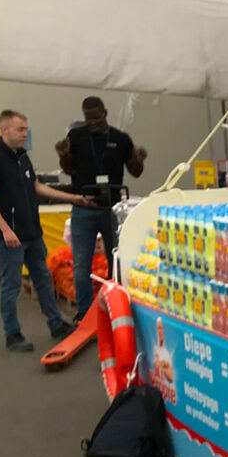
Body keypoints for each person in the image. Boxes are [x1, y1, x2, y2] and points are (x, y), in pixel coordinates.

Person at [0, 110, 93, 352]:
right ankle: (12, 335)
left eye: (26, 129)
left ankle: (56, 325)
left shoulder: (23, 157)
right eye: (20, 129)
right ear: (4, 130)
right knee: (11, 285)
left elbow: (37, 186)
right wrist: (5, 229)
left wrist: (73, 198)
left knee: (43, 279)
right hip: (11, 238)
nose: (25, 134)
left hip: (32, 233)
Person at [55, 96, 147, 324]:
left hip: (112, 208)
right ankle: (85, 314)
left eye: (96, 117)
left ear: (105, 112)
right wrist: (64, 156)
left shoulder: (120, 138)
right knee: (81, 264)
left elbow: (136, 172)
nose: (92, 122)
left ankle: (116, 308)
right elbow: (69, 169)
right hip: (83, 208)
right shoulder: (76, 136)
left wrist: (139, 160)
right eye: (88, 118)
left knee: (116, 260)